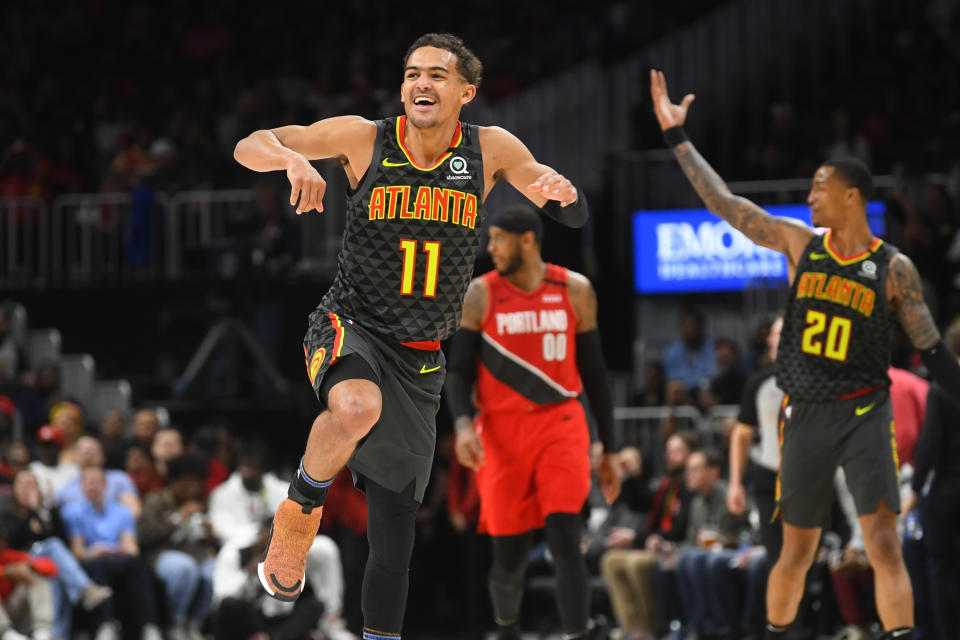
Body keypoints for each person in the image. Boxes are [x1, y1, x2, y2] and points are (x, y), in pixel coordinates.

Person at [233, 32, 590, 639]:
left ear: (466, 92)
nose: (421, 83)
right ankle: (296, 520)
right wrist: (291, 159)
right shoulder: (363, 138)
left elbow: (558, 199)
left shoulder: (491, 149)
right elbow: (250, 145)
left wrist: (558, 192)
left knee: (395, 536)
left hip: (421, 352)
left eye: (437, 75)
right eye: (412, 73)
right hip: (352, 323)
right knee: (354, 404)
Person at [650, 69, 960, 640]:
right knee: (795, 550)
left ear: (852, 197)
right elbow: (724, 203)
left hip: (867, 413)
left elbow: (935, 354)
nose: (811, 195)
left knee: (884, 544)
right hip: (808, 415)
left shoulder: (894, 268)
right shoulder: (799, 244)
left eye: (820, 186)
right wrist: (677, 137)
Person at [442, 205, 619, 640]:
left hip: (561, 424)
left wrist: (609, 447)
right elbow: (459, 370)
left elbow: (596, 375)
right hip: (500, 431)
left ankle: (577, 633)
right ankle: (507, 630)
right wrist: (463, 424)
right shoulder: (480, 295)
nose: (491, 248)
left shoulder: (575, 290)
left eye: (499, 239)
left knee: (565, 537)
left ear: (528, 240)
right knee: (509, 552)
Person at [904, 322, 960, 640]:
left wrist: (914, 489)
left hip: (948, 490)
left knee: (941, 567)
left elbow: (929, 445)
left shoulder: (942, 388)